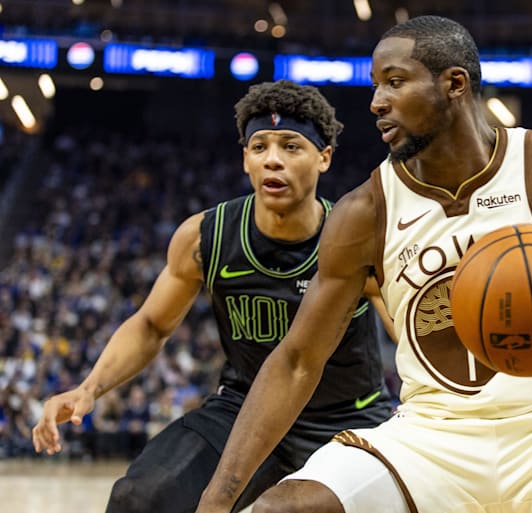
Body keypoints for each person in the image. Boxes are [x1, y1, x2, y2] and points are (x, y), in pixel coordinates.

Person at [196, 15, 532, 513]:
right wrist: (217, 500)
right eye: (376, 85)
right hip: (432, 435)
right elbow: (296, 361)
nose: (376, 103)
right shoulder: (364, 211)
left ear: (454, 83)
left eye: (395, 83)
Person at [31, 80, 393, 513]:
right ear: (245, 159)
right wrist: (89, 388)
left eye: (292, 147)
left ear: (324, 157)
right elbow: (151, 325)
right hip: (242, 411)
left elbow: (409, 333)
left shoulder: (356, 240)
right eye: (259, 147)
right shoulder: (205, 236)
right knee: (140, 498)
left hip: (347, 419)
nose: (273, 159)